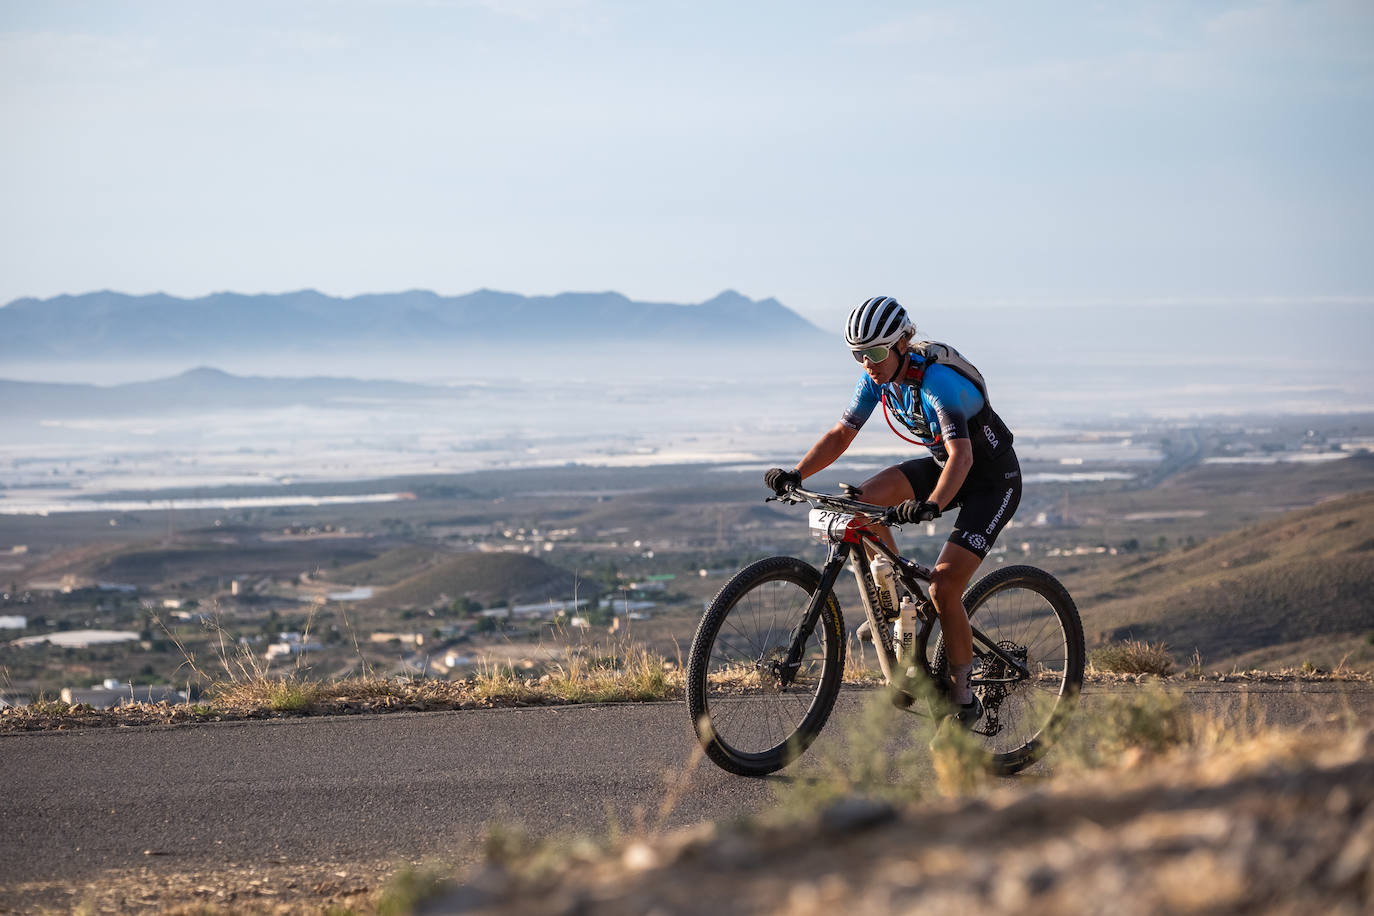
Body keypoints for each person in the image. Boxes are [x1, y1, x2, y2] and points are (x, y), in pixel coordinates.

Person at [764, 295, 1021, 727]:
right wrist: (796, 473)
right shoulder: (876, 380)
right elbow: (841, 433)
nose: (869, 363)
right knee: (860, 505)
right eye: (858, 354)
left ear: (904, 342)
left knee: (942, 587)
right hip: (945, 466)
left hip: (991, 481)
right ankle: (896, 613)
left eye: (878, 352)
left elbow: (962, 457)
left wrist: (933, 505)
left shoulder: (938, 383)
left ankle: (962, 695)